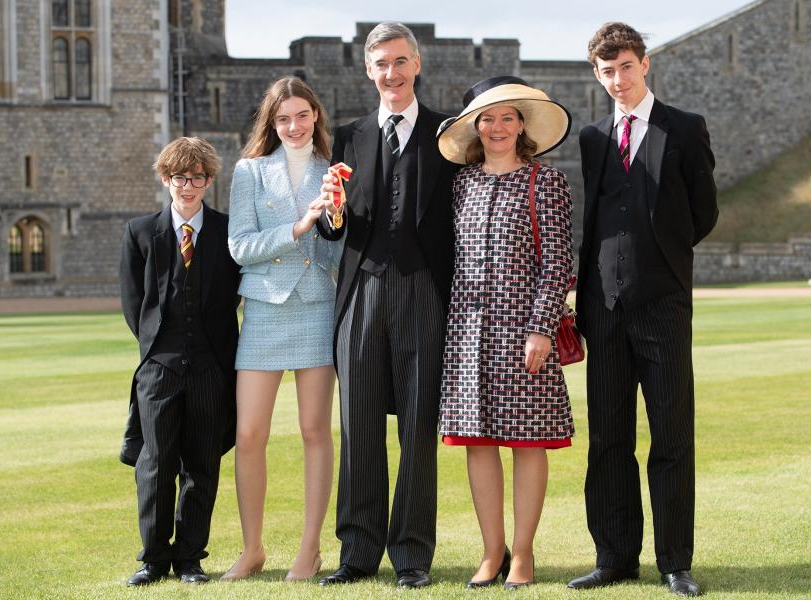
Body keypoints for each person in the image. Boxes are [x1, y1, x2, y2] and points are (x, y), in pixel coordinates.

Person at [566, 22, 718, 597]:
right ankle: (613, 558)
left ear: (645, 64)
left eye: (626, 67)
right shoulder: (593, 137)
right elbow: (599, 217)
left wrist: (662, 265)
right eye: (606, 71)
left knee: (672, 434)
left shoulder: (683, 128)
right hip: (602, 308)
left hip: (662, 305)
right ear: (597, 75)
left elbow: (703, 214)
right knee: (607, 436)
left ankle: (675, 562)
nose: (617, 80)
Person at [314, 22, 458, 589]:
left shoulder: (449, 134)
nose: (391, 73)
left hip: (425, 293)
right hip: (362, 295)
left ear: (416, 64)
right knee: (358, 429)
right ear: (368, 71)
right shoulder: (349, 137)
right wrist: (333, 214)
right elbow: (336, 231)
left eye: (400, 62)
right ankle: (358, 552)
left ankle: (413, 555)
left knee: (419, 430)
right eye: (381, 65)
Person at [435, 76, 575, 589]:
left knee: (528, 442)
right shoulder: (460, 184)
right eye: (487, 118)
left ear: (522, 126)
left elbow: (558, 260)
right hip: (468, 333)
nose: (497, 127)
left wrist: (540, 327)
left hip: (525, 332)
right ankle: (490, 552)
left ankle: (522, 554)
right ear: (475, 126)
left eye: (507, 117)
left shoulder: (546, 181)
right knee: (478, 442)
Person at [220, 76, 339, 583]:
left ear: (316, 117)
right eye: (283, 118)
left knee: (315, 431)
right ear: (272, 123)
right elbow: (239, 247)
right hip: (265, 310)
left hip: (317, 305)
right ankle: (252, 550)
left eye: (302, 116)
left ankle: (308, 551)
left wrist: (334, 218)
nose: (293, 126)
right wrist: (297, 227)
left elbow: (337, 251)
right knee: (249, 435)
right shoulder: (249, 171)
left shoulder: (333, 172)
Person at [119, 137, 241, 586]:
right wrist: (157, 350)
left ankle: (189, 557)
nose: (186, 187)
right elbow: (134, 304)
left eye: (194, 178)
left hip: (212, 366)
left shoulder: (229, 231)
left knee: (202, 463)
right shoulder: (139, 232)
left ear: (209, 180)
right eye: (177, 178)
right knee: (155, 462)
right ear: (165, 179)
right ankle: (152, 558)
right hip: (159, 366)